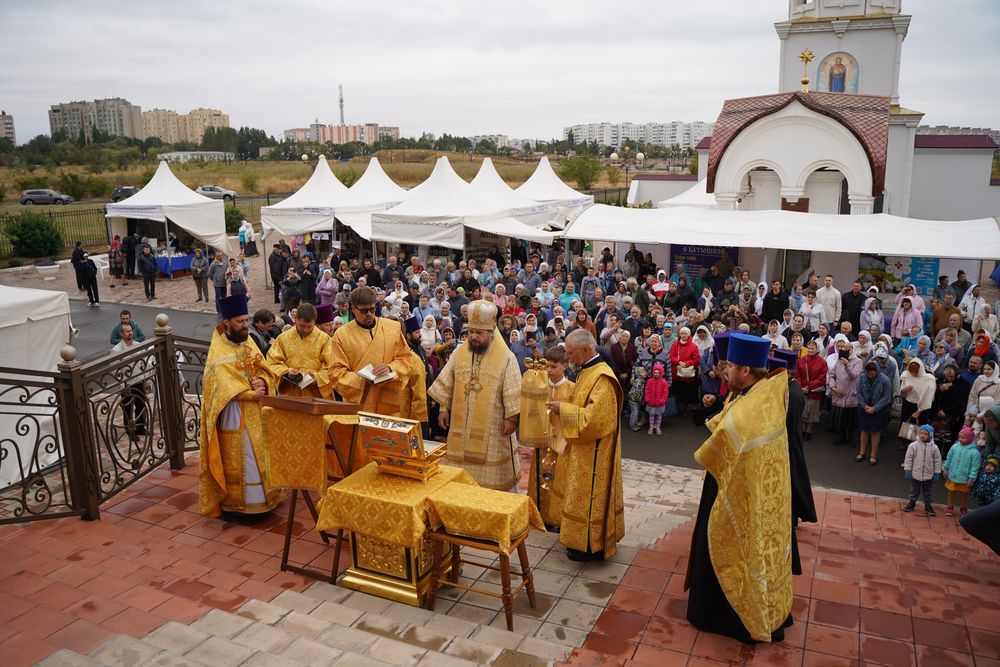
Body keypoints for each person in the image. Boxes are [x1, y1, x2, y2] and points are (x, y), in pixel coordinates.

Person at [686, 333, 793, 643]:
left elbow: (721, 440)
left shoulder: (752, 409)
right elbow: (728, 416)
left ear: (746, 370)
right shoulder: (760, 393)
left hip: (735, 491)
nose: (725, 371)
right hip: (737, 484)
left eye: (729, 366)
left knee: (727, 547)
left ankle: (725, 618)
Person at [544, 329, 625, 561]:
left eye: (571, 353)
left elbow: (596, 421)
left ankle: (591, 546)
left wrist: (564, 410)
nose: (568, 358)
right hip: (582, 449)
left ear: (586, 350)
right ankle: (578, 540)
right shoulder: (586, 371)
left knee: (589, 499)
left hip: (595, 455)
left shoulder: (602, 377)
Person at [198, 294, 282, 517]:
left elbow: (264, 368)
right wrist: (248, 392)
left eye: (247, 320)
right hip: (234, 411)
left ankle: (268, 498)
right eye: (240, 322)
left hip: (258, 410)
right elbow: (218, 385)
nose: (246, 325)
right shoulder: (218, 349)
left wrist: (262, 381)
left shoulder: (249, 340)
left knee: (262, 452)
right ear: (227, 323)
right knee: (244, 455)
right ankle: (240, 504)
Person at [430, 300, 522, 491]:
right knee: (459, 483)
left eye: (479, 333)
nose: (473, 337)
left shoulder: (506, 358)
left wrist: (512, 418)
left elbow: (514, 391)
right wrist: (443, 408)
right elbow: (448, 382)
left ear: (491, 333)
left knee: (493, 487)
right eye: (471, 331)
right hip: (461, 426)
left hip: (493, 430)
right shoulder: (458, 354)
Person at [327, 287, 416, 417]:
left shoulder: (392, 328)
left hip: (390, 402)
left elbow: (406, 359)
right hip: (359, 404)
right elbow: (335, 373)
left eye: (372, 309)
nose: (369, 314)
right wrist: (361, 379)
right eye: (364, 311)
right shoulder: (341, 335)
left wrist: (390, 368)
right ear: (353, 309)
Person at [528, 346, 575, 530]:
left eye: (553, 366)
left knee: (557, 481)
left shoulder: (572, 388)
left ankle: (556, 518)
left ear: (564, 366)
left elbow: (574, 414)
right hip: (541, 441)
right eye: (547, 366)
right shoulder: (540, 386)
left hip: (561, 444)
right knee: (539, 479)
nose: (548, 370)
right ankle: (536, 514)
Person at [265, 303, 335, 399]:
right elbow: (272, 363)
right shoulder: (283, 338)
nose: (305, 330)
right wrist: (287, 373)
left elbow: (332, 367)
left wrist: (317, 378)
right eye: (302, 325)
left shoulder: (325, 339)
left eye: (309, 326)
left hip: (317, 395)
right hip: (290, 394)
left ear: (315, 322)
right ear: (295, 320)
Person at [111, 322, 146, 438]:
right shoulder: (116, 350)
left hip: (139, 381)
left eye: (131, 331)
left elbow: (143, 362)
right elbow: (114, 370)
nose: (130, 333)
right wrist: (122, 385)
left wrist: (144, 377)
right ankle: (130, 431)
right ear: (121, 334)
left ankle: (141, 427)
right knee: (128, 409)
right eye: (127, 331)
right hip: (127, 384)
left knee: (141, 405)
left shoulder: (138, 345)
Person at [857, 359, 892, 464]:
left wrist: (874, 408)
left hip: (878, 408)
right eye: (869, 374)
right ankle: (862, 453)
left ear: (877, 371)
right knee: (864, 430)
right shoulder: (862, 377)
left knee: (875, 432)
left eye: (873, 374)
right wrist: (865, 406)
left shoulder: (885, 380)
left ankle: (873, 455)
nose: (871, 376)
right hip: (865, 407)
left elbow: (886, 397)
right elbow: (859, 393)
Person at [903, 424, 942, 516]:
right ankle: (911, 503)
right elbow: (908, 458)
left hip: (929, 475)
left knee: (927, 492)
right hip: (915, 473)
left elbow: (937, 460)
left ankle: (928, 506)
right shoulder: (913, 445)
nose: (923, 435)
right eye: (921, 433)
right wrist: (907, 470)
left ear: (930, 435)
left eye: (925, 434)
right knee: (914, 490)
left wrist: (937, 472)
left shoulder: (934, 447)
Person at [943, 427, 981, 517]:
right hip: (953, 475)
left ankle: (963, 508)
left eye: (963, 437)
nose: (960, 439)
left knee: (964, 494)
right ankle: (950, 507)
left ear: (970, 438)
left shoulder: (974, 452)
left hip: (965, 478)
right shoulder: (955, 446)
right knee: (952, 491)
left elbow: (975, 467)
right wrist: (945, 468)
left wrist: (972, 478)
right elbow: (949, 458)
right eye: (959, 437)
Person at [797, 340, 827, 440]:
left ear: (816, 349)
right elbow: (797, 375)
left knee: (811, 414)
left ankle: (808, 431)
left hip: (814, 391)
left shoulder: (822, 362)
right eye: (809, 348)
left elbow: (821, 378)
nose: (810, 350)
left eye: (812, 348)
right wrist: (801, 387)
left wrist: (808, 387)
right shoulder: (801, 360)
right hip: (802, 391)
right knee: (801, 412)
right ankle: (802, 430)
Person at [669, 326, 701, 416]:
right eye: (682, 333)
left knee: (686, 393)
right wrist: (678, 362)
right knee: (677, 392)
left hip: (687, 374)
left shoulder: (693, 346)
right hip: (676, 372)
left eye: (685, 333)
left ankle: (685, 410)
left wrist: (686, 364)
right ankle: (677, 410)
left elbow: (696, 360)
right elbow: (671, 355)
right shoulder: (675, 344)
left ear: (689, 335)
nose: (683, 335)